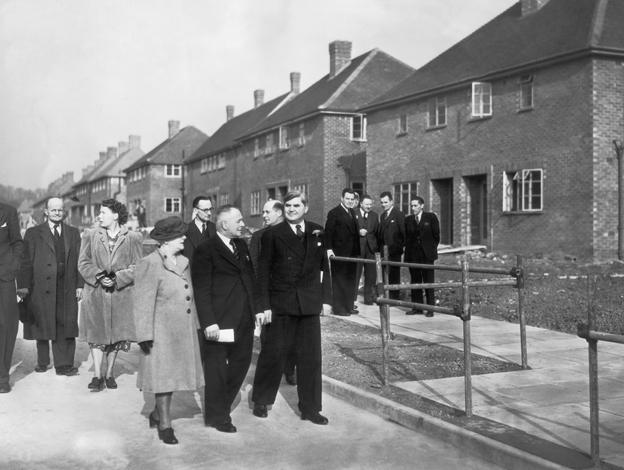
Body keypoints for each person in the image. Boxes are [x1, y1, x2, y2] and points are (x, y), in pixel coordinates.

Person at [251, 191, 332, 425]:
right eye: (288, 205)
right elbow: (263, 273)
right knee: (273, 353)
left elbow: (324, 268)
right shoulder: (273, 234)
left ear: (305, 207)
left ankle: (310, 408)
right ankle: (261, 400)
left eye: (297, 205)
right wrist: (263, 305)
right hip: (281, 304)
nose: (292, 209)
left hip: (308, 304)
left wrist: (326, 300)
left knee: (310, 358)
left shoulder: (317, 231)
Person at [192, 205, 263, 433]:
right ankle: (218, 416)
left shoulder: (241, 245)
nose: (243, 224)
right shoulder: (206, 249)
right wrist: (208, 322)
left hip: (244, 318)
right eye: (239, 221)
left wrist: (258, 309)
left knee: (241, 365)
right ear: (224, 225)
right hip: (219, 321)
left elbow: (250, 279)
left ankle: (220, 407)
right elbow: (201, 289)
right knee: (216, 370)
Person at [133, 216, 204, 445]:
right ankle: (165, 424)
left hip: (182, 330)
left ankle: (156, 414)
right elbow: (142, 301)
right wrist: (144, 334)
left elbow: (189, 294)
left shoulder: (183, 261)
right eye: (179, 235)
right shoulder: (150, 263)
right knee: (163, 378)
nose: (184, 237)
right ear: (166, 240)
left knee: (172, 377)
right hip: (160, 332)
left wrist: (196, 326)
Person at [78, 199, 143, 391]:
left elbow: (138, 265)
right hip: (96, 293)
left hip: (121, 294)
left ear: (115, 215)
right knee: (96, 334)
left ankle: (109, 374)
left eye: (103, 212)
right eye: (99, 212)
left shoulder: (133, 237)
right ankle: (97, 375)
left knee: (117, 336)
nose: (99, 216)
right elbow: (83, 262)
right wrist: (99, 276)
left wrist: (117, 277)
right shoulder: (90, 235)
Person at [17, 197, 83, 376]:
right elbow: (25, 262)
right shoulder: (33, 233)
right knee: (42, 322)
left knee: (65, 324)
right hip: (41, 286)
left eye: (60, 210)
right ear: (46, 211)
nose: (57, 213)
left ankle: (64, 365)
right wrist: (23, 287)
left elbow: (79, 261)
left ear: (64, 211)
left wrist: (79, 285)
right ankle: (43, 360)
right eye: (53, 210)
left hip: (66, 287)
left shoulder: (73, 233)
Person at [248, 200, 297, 386]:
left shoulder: (294, 232)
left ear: (279, 213)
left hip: (292, 297)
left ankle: (290, 369)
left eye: (267, 212)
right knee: (269, 342)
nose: (264, 215)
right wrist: (259, 302)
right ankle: (265, 387)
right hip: (268, 297)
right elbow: (253, 267)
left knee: (293, 338)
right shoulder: (259, 236)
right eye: (262, 211)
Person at [0, 202, 24, 393]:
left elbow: (17, 242)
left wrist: (11, 269)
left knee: (6, 326)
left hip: (4, 278)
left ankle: (2, 378)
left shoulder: (8, 211)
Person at [324, 188, 360, 316]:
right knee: (340, 281)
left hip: (352, 254)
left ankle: (348, 305)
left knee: (350, 280)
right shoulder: (334, 213)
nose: (350, 201)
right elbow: (328, 232)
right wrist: (329, 249)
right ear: (342, 198)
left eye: (352, 199)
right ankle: (339, 308)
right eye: (347, 199)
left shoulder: (352, 212)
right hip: (339, 253)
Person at [404, 197, 440, 317]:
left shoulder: (431, 217)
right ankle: (417, 308)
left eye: (415, 205)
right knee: (415, 282)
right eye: (412, 206)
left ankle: (430, 308)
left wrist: (429, 249)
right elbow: (406, 238)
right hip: (413, 256)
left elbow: (436, 236)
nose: (413, 208)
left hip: (426, 256)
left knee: (428, 282)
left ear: (422, 205)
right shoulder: (408, 219)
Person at [377, 191, 405, 300]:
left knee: (394, 274)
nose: (384, 204)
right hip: (384, 251)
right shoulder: (383, 215)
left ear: (391, 202)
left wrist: (399, 248)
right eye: (382, 202)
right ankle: (386, 296)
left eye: (386, 202)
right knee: (384, 274)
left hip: (394, 251)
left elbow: (403, 233)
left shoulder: (399, 214)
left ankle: (394, 298)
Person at [355, 195, 380, 305]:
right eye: (367, 204)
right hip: (358, 249)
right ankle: (352, 299)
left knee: (371, 275)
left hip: (371, 249)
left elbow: (377, 233)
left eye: (370, 204)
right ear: (361, 204)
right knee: (356, 274)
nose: (369, 206)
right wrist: (358, 232)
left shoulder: (374, 216)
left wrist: (377, 249)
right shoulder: (353, 213)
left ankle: (368, 299)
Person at [183, 196, 216, 263]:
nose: (209, 213)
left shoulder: (217, 229)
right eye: (205, 210)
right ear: (195, 210)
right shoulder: (185, 231)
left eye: (210, 209)